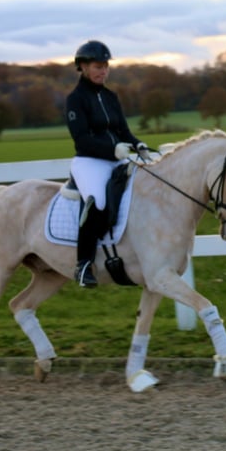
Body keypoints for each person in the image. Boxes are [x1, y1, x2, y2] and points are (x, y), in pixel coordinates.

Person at [65, 40, 150, 288]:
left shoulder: (111, 97)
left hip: (116, 159)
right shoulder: (76, 99)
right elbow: (81, 138)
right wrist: (113, 150)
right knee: (99, 202)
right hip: (89, 162)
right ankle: (83, 265)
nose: (103, 71)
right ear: (82, 66)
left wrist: (139, 145)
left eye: (105, 66)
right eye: (97, 66)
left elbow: (123, 130)